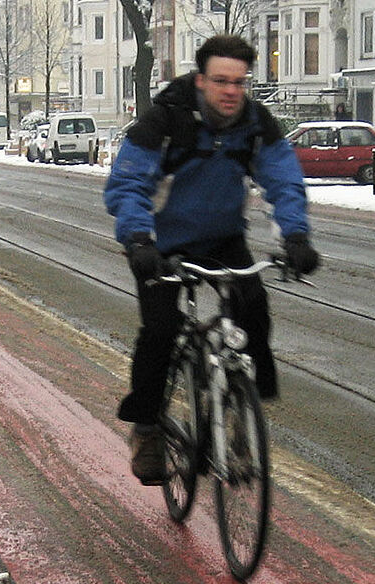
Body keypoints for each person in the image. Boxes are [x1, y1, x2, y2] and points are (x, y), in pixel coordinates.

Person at [103, 34, 319, 486]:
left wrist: (296, 235)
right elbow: (129, 184)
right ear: (201, 79)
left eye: (239, 82)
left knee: (254, 312)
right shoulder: (166, 118)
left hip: (222, 238)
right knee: (160, 331)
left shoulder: (256, 123)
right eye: (220, 80)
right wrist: (138, 241)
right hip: (159, 243)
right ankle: (146, 430)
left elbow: (284, 179)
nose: (230, 91)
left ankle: (242, 413)